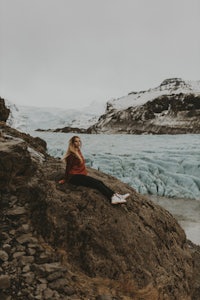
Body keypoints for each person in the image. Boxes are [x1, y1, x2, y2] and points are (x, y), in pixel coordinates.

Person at [59, 136, 130, 205]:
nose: (78, 143)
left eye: (79, 141)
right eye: (76, 141)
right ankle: (112, 198)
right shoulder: (71, 155)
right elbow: (68, 167)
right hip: (74, 177)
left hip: (80, 175)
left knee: (99, 182)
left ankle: (116, 195)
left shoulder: (78, 151)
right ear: (72, 143)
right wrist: (65, 179)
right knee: (96, 184)